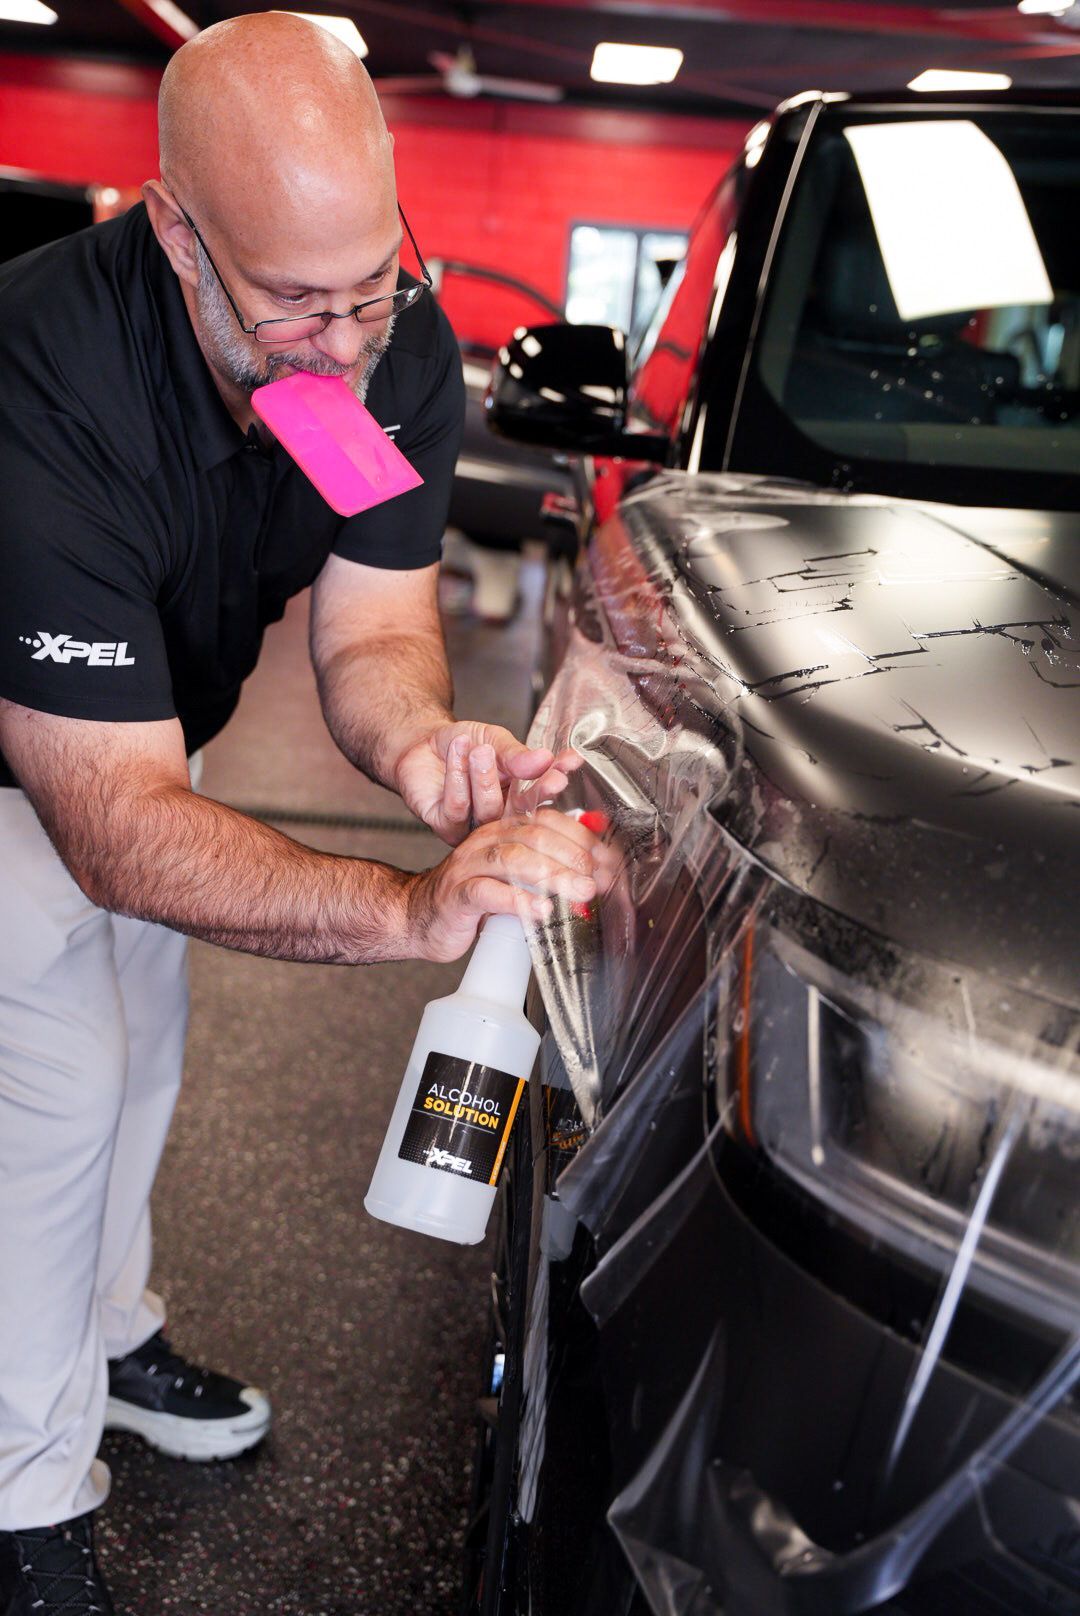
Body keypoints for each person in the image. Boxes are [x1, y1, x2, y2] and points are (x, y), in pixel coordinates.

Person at [0, 15, 598, 1612]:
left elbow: (376, 626)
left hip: (144, 734)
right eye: (296, 306)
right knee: (51, 1099)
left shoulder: (380, 330)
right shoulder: (38, 379)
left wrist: (424, 755)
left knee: (148, 1050)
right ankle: (27, 1503)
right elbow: (114, 827)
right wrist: (408, 911)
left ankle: (109, 1337)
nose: (346, 345)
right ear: (173, 230)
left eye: (372, 288)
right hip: (27, 763)